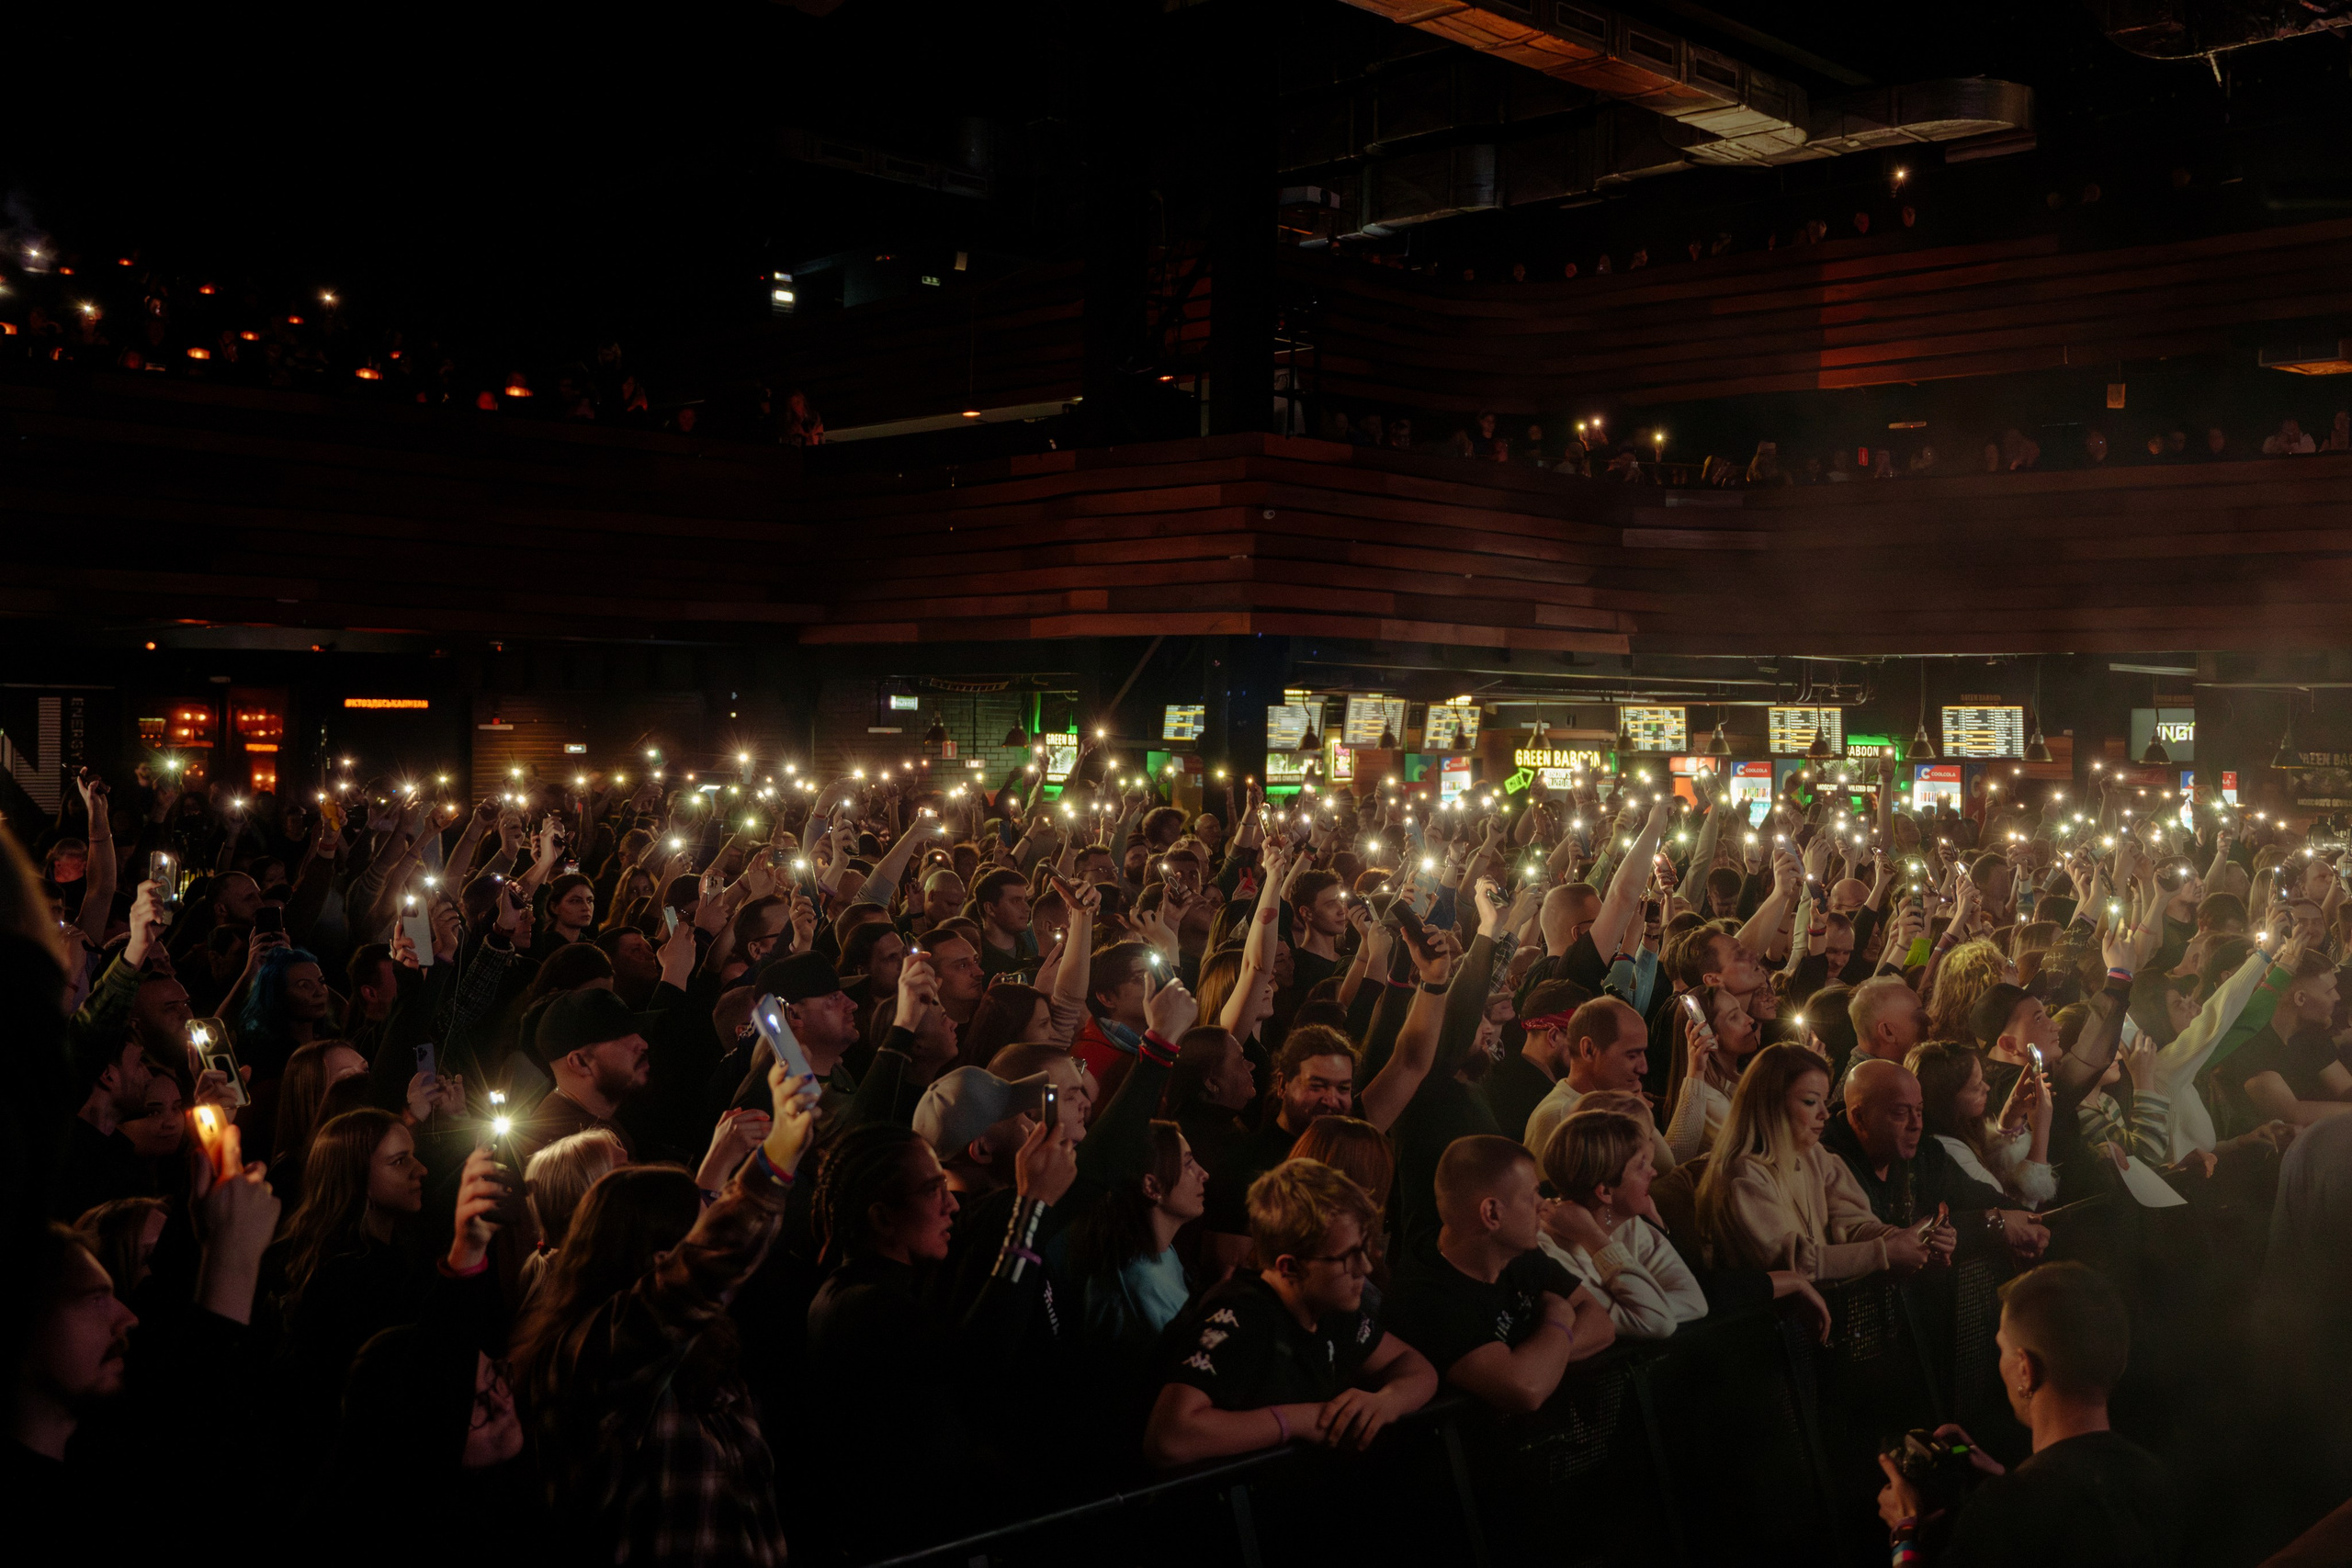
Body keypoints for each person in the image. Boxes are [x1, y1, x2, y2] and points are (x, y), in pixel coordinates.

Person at [514, 1055, 820, 1566]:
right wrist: (778, 1156)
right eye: (679, 1246)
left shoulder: (690, 1342)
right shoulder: (593, 1349)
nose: (687, 1252)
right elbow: (704, 1270)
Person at [1877, 1263, 2177, 1568]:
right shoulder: (2155, 1480)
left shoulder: (2002, 1513)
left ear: (2025, 1368)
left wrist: (1905, 1533)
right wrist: (2007, 1478)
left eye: (2003, 1349)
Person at [1146, 1158, 1437, 1465]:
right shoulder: (1243, 1316)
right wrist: (1299, 1420)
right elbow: (1170, 1437)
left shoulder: (1330, 1307)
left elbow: (1416, 1367)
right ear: (1290, 1267)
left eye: (1364, 1250)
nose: (1364, 1268)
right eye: (1349, 1257)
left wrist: (1387, 1402)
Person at [1384, 1134, 1613, 1410]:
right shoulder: (1425, 1297)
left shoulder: (1519, 1254)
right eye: (1531, 1196)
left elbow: (1602, 1324)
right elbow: (1526, 1388)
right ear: (1491, 1212)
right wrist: (1560, 1314)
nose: (1544, 1203)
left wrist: (1539, 1359)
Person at [1696, 1043, 1929, 1280]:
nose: (1825, 1114)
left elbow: (1854, 1227)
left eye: (1824, 1102)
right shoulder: (1744, 1178)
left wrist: (1908, 1239)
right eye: (1810, 1102)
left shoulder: (1815, 1156)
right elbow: (1792, 1265)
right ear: (1771, 1104)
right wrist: (1886, 1252)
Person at [1536, 1111, 1709, 1337]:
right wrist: (1594, 1239)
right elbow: (1657, 1323)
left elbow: (1695, 1302)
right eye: (1642, 1166)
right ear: (1605, 1191)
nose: (1654, 1172)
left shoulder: (1629, 1224)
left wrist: (1639, 1309)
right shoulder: (1549, 1253)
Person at [1198, 1024, 1357, 1267]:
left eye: (1343, 1088)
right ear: (1283, 1085)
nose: (1331, 1100)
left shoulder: (1353, 1151)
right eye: (1317, 1085)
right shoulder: (1243, 1165)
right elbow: (1230, 1269)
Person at [1911, 1042, 2058, 1211]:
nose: (1986, 1088)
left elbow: (1996, 1173)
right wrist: (2041, 1131)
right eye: (1975, 1087)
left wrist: (2010, 1117)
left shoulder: (1961, 1132)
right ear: (1946, 1101)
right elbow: (2015, 1214)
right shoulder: (1947, 1152)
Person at [514, 989, 649, 1163]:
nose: (643, 1044)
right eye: (620, 1036)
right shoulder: (563, 1152)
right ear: (580, 1062)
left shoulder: (596, 1118)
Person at [1521, 996, 1648, 1164]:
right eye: (1632, 1055)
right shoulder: (1558, 1117)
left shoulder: (1615, 1102)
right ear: (1588, 1050)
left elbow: (1667, 1164)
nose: (1643, 1068)